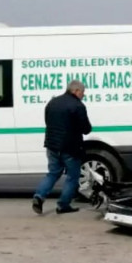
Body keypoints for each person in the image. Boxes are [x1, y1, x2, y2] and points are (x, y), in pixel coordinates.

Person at [32, 80, 93, 215]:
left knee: (53, 173)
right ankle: (63, 205)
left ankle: (39, 196)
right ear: (76, 91)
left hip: (52, 145)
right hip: (70, 147)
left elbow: (47, 121)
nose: (83, 95)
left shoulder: (52, 102)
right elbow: (86, 129)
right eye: (83, 92)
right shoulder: (78, 106)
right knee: (72, 176)